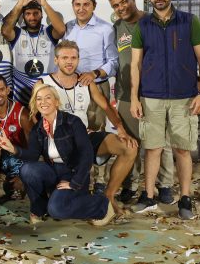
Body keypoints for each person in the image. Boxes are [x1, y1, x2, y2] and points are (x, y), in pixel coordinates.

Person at [130, 0, 200, 220]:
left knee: (182, 150)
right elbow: (135, 64)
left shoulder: (189, 21)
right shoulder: (142, 25)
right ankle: (149, 196)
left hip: (184, 97)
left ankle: (185, 198)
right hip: (151, 97)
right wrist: (135, 97)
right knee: (152, 149)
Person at [40, 40, 137, 215]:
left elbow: (106, 106)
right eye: (64, 58)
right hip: (61, 145)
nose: (69, 62)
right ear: (56, 60)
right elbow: (36, 118)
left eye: (73, 58)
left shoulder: (85, 81)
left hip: (85, 138)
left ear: (78, 59)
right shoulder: (44, 83)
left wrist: (121, 130)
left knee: (129, 148)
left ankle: (108, 197)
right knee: (62, 206)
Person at [0, 84, 115, 226]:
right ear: (35, 103)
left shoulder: (72, 122)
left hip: (73, 173)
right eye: (39, 99)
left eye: (48, 98)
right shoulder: (38, 128)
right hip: (53, 171)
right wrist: (13, 149)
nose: (43, 102)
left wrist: (75, 182)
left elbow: (87, 154)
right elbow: (32, 157)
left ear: (56, 102)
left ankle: (101, 204)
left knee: (57, 209)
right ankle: (39, 210)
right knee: (27, 169)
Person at [107, 0, 175, 205]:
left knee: (160, 142)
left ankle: (164, 185)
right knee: (131, 142)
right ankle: (130, 184)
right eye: (115, 6)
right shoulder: (117, 27)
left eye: (123, 2)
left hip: (154, 93)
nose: (121, 8)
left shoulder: (152, 21)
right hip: (127, 94)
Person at [63, 0, 118, 131]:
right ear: (72, 5)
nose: (81, 9)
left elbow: (113, 62)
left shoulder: (106, 29)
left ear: (94, 5)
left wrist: (94, 73)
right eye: (77, 5)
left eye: (86, 4)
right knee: (71, 130)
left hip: (97, 86)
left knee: (95, 131)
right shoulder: (67, 27)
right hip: (70, 87)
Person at [1, 0, 66, 105]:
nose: (32, 17)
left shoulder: (49, 31)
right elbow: (5, 31)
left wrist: (44, 4)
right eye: (28, 14)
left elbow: (61, 30)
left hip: (47, 92)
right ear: (23, 16)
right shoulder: (17, 32)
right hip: (22, 92)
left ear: (42, 14)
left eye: (36, 13)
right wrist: (19, 5)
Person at [0, 74, 32, 201]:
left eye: (1, 90)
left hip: (15, 157)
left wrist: (23, 174)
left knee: (16, 192)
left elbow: (33, 148)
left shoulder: (22, 114)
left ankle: (15, 182)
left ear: (8, 90)